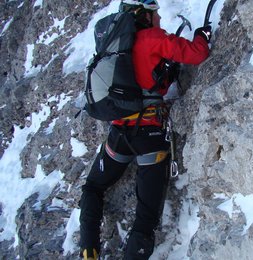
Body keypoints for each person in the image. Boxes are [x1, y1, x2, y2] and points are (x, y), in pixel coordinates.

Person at [79, 0, 212, 259]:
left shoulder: (114, 45)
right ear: (143, 15)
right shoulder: (153, 37)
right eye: (156, 14)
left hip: (119, 134)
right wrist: (201, 35)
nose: (160, 18)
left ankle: (88, 250)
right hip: (150, 135)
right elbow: (198, 53)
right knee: (146, 218)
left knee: (93, 187)